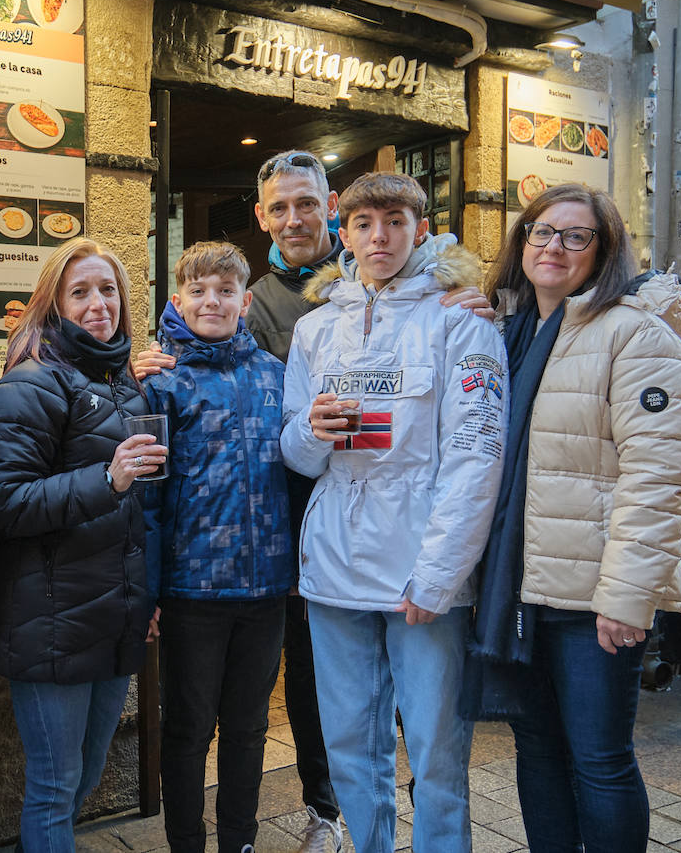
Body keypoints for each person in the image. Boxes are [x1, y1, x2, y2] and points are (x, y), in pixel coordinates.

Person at [280, 171, 507, 853]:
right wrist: (309, 433)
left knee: (437, 749)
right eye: (364, 224)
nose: (380, 237)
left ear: (421, 227)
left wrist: (440, 573)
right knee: (349, 740)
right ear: (340, 232)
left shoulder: (460, 320)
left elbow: (478, 455)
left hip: (421, 573)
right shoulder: (316, 328)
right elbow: (294, 453)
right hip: (334, 567)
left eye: (395, 222)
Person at [466, 184, 681, 852]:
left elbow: (658, 478)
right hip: (520, 585)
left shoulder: (634, 332)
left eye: (575, 235)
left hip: (593, 594)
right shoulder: (508, 329)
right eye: (541, 231)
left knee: (599, 760)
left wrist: (627, 597)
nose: (553, 246)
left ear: (605, 251)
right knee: (536, 749)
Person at [0, 238, 161, 853]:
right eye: (79, 291)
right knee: (56, 787)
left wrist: (149, 596)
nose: (97, 305)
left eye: (107, 290)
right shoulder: (29, 383)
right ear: (53, 303)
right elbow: (6, 504)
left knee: (84, 778)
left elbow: (143, 510)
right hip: (50, 619)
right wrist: (106, 479)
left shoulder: (125, 385)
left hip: (115, 617)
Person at [143, 242, 295, 853]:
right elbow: (147, 498)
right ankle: (186, 843)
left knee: (249, 728)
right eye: (199, 291)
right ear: (177, 299)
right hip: (190, 589)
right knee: (187, 728)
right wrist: (149, 589)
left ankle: (239, 842)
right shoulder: (160, 379)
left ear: (245, 300)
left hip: (266, 589)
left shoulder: (275, 375)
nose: (212, 301)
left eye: (225, 291)